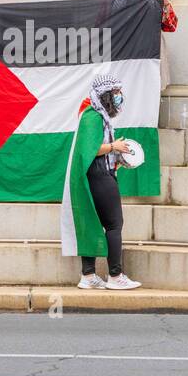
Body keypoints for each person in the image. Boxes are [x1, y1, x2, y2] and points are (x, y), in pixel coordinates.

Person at [57, 75, 143, 290]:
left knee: (92, 222)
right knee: (114, 224)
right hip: (100, 176)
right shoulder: (93, 117)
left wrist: (118, 156)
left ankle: (88, 276)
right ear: (105, 95)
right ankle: (115, 276)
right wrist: (115, 147)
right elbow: (91, 150)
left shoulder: (97, 116)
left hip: (96, 174)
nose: (119, 97)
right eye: (115, 92)